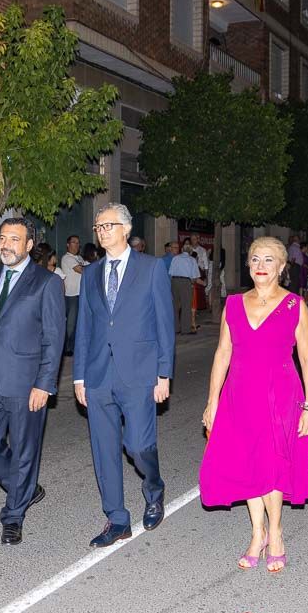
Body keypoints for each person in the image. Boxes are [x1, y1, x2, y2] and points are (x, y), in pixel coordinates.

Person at [199, 236, 308, 573]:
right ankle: (257, 533)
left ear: (282, 266)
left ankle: (275, 532)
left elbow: (307, 360)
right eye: (255, 259)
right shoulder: (234, 303)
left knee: (272, 464)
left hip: (280, 395)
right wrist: (212, 401)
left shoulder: (295, 305)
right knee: (248, 464)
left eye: (269, 260)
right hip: (239, 395)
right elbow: (223, 354)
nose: (261, 266)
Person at [74, 203, 174, 548]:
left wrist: (164, 374)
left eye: (108, 225)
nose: (102, 231)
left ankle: (154, 487)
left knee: (137, 444)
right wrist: (78, 377)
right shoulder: (91, 274)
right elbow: (84, 327)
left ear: (126, 229)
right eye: (98, 227)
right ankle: (117, 519)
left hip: (140, 372)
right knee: (104, 449)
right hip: (99, 374)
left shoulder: (151, 268)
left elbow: (164, 323)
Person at [0, 218, 65, 546]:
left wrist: (44, 384)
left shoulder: (47, 283)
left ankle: (14, 515)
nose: (5, 244)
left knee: (24, 450)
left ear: (29, 246)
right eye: (3, 238)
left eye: (14, 239)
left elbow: (54, 338)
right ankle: (26, 488)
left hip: (26, 383)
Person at [60, 235, 85, 356]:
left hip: (80, 294)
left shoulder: (79, 257)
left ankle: (74, 347)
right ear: (68, 244)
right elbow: (81, 269)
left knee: (77, 322)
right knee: (70, 323)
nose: (77, 245)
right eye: (74, 242)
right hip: (71, 294)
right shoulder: (67, 258)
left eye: (78, 242)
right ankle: (66, 347)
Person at [168, 238, 201, 334]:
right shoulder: (192, 260)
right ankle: (185, 329)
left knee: (175, 306)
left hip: (175, 281)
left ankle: (175, 328)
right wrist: (191, 283)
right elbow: (194, 277)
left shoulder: (175, 258)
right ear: (190, 252)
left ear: (182, 250)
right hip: (186, 282)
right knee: (186, 306)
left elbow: (171, 272)